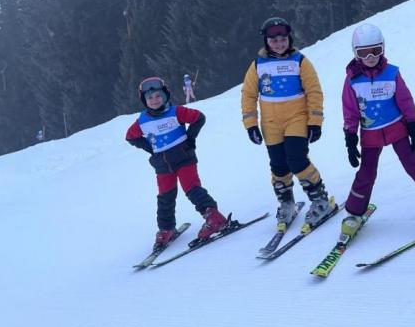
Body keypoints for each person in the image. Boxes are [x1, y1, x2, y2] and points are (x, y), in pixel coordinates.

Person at [339, 23, 415, 238]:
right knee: (367, 171)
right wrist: (350, 137)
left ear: (383, 49)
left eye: (375, 51)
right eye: (363, 53)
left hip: (397, 128)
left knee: (411, 163)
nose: (370, 57)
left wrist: (414, 127)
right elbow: (350, 110)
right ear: (355, 53)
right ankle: (354, 212)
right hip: (370, 134)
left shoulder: (392, 73)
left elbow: (405, 101)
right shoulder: (352, 81)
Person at [241, 17, 333, 229]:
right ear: (266, 42)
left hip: (296, 119)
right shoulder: (257, 65)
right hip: (271, 123)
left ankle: (320, 199)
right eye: (274, 40)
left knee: (297, 159)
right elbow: (248, 95)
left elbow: (314, 91)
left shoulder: (300, 61)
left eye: (283, 39)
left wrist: (315, 122)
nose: (279, 43)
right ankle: (286, 203)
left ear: (289, 39)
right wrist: (251, 124)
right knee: (279, 164)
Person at [125, 76, 229, 249]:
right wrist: (150, 148)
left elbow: (199, 118)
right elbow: (130, 136)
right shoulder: (142, 121)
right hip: (162, 165)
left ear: (165, 95)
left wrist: (190, 139)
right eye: (149, 98)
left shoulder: (176, 112)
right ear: (144, 100)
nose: (154, 100)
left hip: (184, 159)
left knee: (192, 189)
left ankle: (215, 218)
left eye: (158, 96)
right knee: (165, 197)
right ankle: (166, 229)